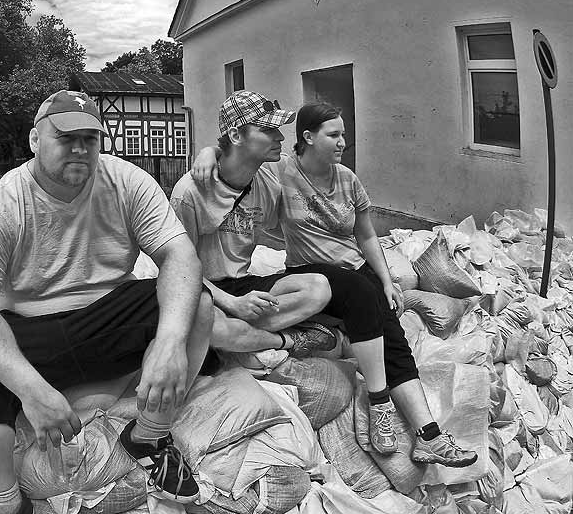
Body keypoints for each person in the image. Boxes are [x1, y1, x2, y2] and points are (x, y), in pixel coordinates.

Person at [0, 90, 213, 514]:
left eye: (90, 138)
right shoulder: (4, 203)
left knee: (197, 306)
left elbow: (179, 254)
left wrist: (168, 342)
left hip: (105, 320)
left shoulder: (127, 182)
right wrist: (31, 390)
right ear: (34, 139)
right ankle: (3, 505)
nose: (81, 148)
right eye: (66, 137)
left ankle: (149, 436)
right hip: (31, 331)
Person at [190, 96, 476, 468]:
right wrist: (206, 152)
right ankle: (379, 400)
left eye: (345, 135)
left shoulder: (348, 179)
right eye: (335, 134)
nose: (343, 142)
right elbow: (237, 156)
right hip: (309, 270)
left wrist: (389, 281)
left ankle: (428, 435)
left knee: (390, 330)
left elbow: (367, 236)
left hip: (354, 272)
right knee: (360, 295)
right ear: (307, 137)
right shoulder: (279, 172)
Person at [170, 91, 337, 360]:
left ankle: (239, 337)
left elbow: (285, 232)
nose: (280, 138)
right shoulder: (189, 192)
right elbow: (177, 271)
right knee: (206, 323)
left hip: (243, 285)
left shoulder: (267, 182)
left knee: (318, 287)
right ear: (236, 136)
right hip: (202, 291)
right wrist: (233, 304)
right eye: (268, 130)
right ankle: (287, 339)